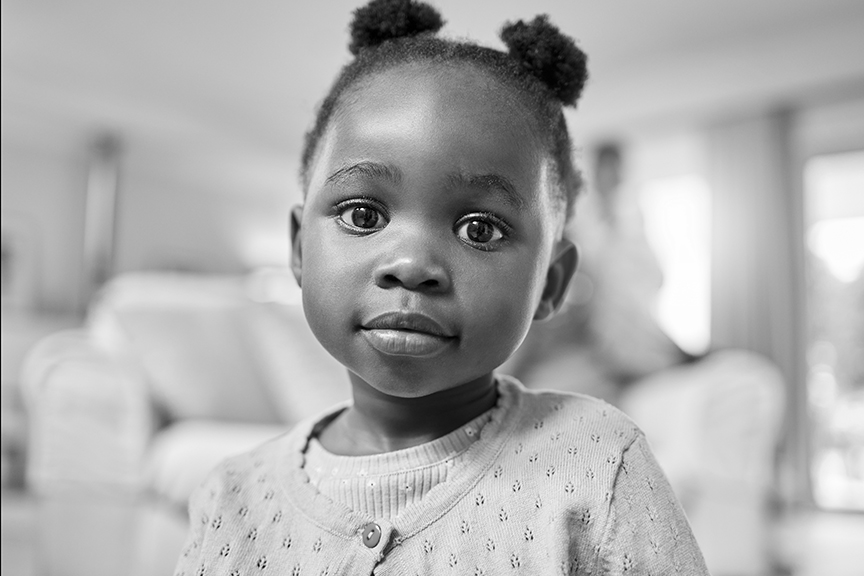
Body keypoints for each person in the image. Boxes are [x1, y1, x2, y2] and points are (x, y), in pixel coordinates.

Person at [173, 1, 709, 574]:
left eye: (480, 229)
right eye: (362, 215)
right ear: (301, 249)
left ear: (551, 282)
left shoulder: (602, 465)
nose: (411, 265)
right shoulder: (229, 497)